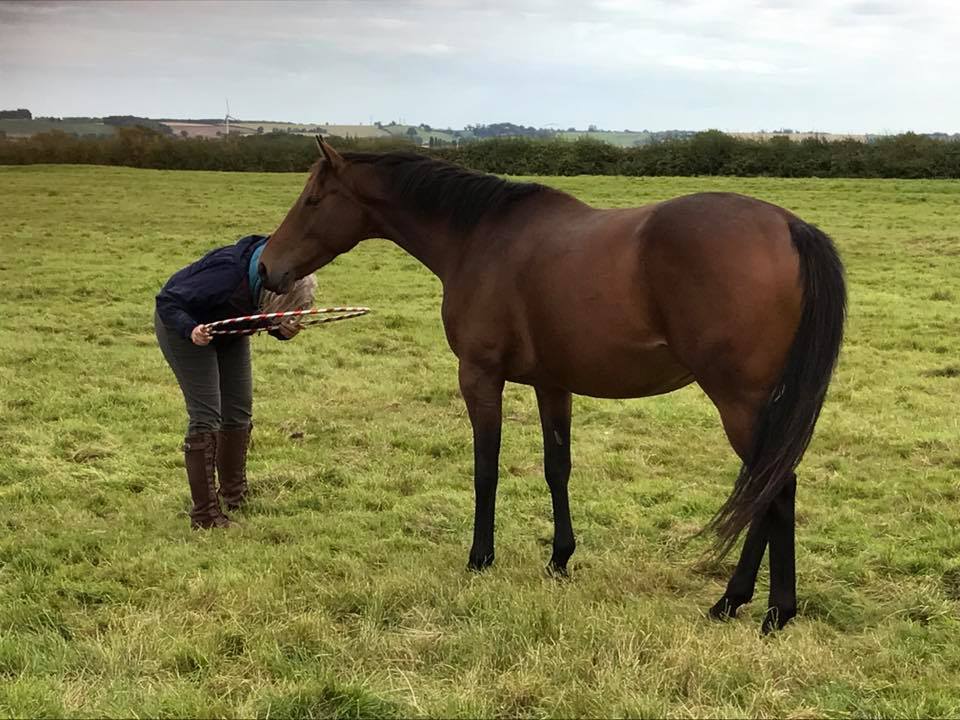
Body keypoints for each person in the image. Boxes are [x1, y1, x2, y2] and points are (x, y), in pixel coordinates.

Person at [154, 234, 316, 529]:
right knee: (207, 415)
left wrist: (282, 330)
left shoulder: (276, 274)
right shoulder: (226, 276)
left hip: (231, 325)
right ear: (270, 295)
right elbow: (168, 300)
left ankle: (233, 495)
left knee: (239, 409)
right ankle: (205, 516)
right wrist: (190, 329)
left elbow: (267, 318)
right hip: (187, 327)